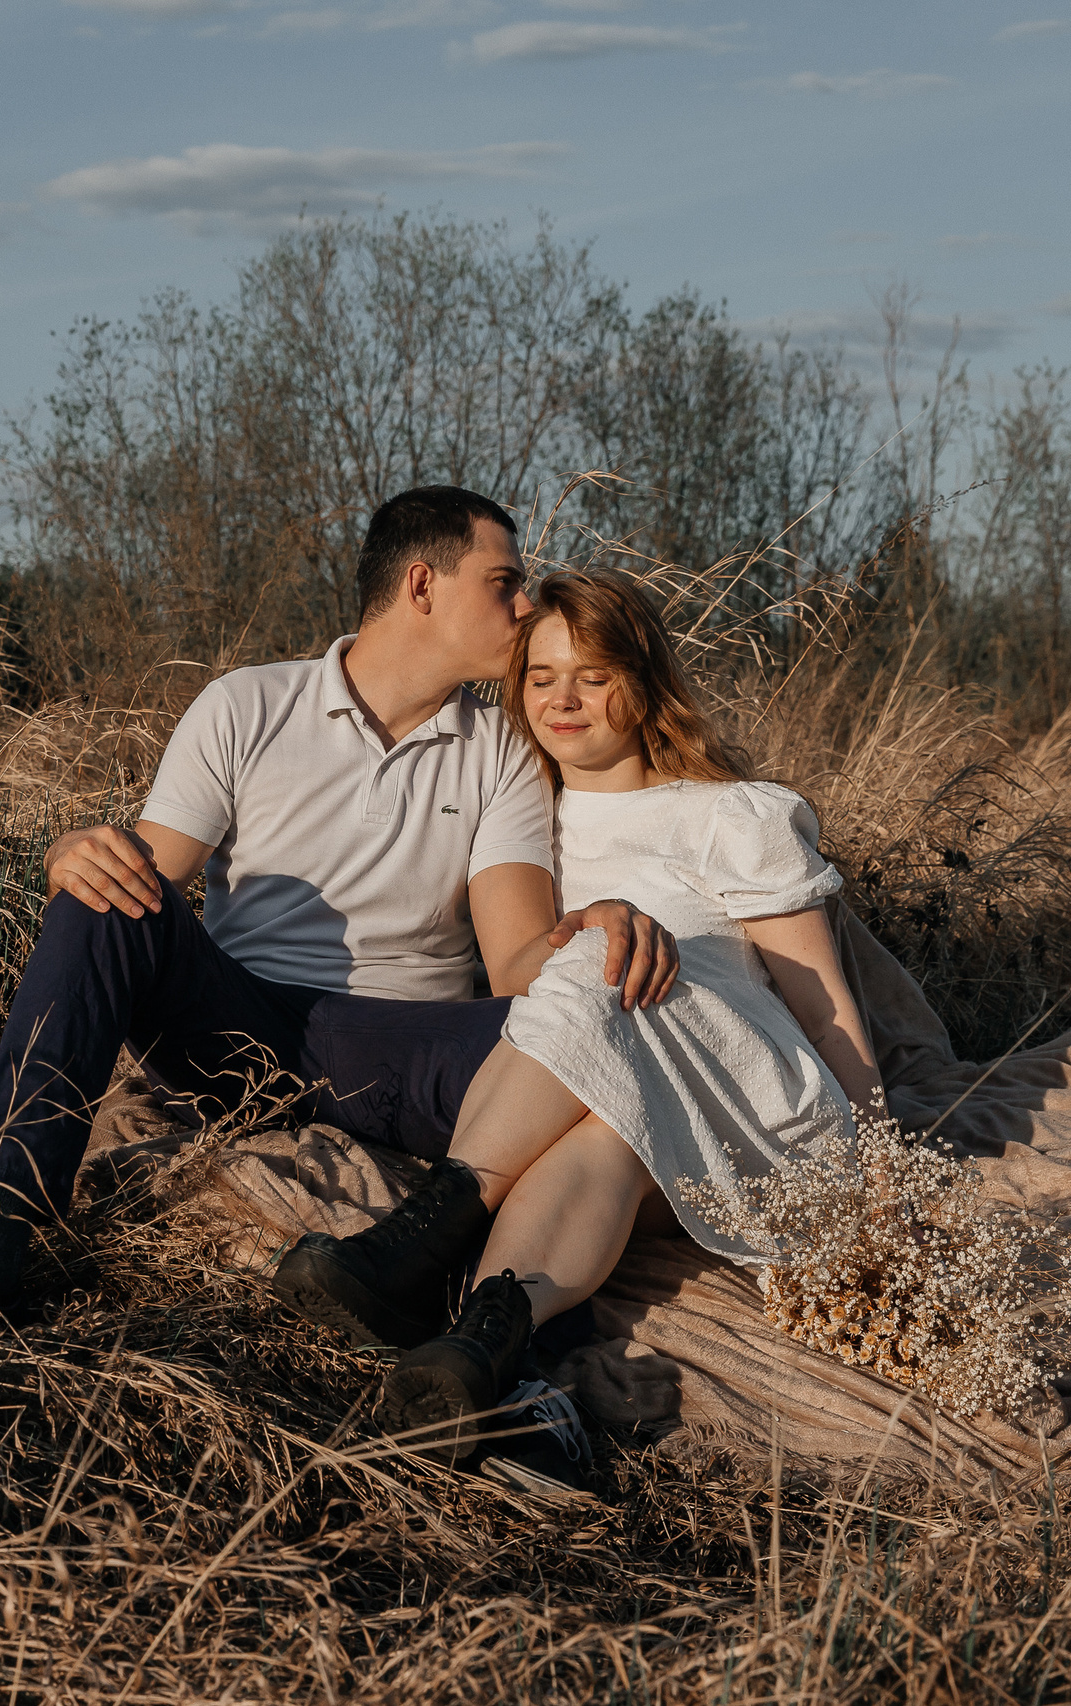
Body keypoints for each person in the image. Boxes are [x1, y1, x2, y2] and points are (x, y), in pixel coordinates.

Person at [0, 489, 682, 1329]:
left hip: (405, 1052)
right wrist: (69, 856)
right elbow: (141, 884)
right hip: (236, 1032)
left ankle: (492, 1328)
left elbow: (519, 958)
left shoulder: (504, 752)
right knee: (100, 897)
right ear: (423, 585)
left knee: (585, 1024)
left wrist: (590, 928)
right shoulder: (248, 706)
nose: (524, 607)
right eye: (503, 582)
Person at [273, 566, 885, 1489]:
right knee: (610, 1120)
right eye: (540, 676)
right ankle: (482, 1345)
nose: (564, 699)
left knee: (606, 955)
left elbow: (822, 1001)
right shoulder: (519, 826)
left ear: (642, 681)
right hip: (634, 1098)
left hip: (756, 1097)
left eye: (592, 676)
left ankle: (423, 1236)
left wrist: (877, 1162)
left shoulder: (730, 813)